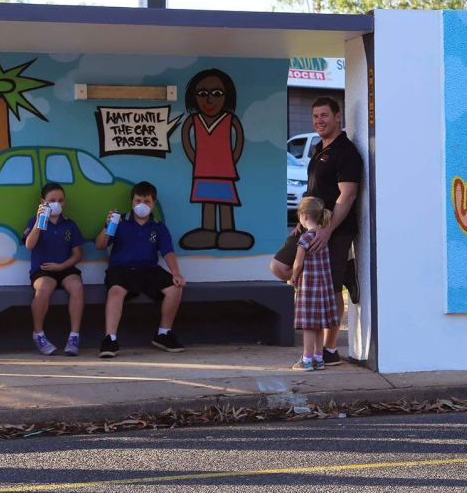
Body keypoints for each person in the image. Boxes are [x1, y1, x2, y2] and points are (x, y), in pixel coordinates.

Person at [271, 97, 363, 366]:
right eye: (315, 117)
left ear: (338, 117)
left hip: (335, 231)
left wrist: (327, 230)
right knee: (279, 266)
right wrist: (306, 221)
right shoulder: (319, 150)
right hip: (308, 227)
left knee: (333, 288)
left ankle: (330, 350)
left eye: (324, 115)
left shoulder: (346, 152)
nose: (319, 121)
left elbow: (347, 196)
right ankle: (345, 271)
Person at [94, 181, 186, 358]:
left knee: (175, 288)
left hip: (149, 269)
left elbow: (167, 252)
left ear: (153, 203)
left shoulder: (158, 226)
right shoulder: (119, 221)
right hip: (121, 268)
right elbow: (100, 245)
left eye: (147, 201)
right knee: (115, 291)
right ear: (132, 202)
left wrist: (176, 273)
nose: (142, 205)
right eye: (138, 201)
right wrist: (108, 227)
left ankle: (163, 334)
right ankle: (110, 339)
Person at [178, 68, 254, 251]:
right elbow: (187, 141)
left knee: (226, 201)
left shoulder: (229, 119)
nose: (209, 99)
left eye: (217, 93)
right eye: (202, 94)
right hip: (203, 171)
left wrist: (231, 161)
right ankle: (208, 231)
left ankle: (228, 231)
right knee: (208, 201)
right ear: (194, 97)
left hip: (225, 171)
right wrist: (196, 160)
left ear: (226, 96)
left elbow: (239, 142)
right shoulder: (194, 120)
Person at [22, 182, 85, 356]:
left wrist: (62, 266)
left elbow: (78, 254)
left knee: (77, 286)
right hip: (43, 269)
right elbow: (29, 245)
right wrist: (37, 224)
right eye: (52, 200)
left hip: (65, 268)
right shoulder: (35, 222)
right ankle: (38, 334)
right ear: (43, 201)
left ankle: (74, 336)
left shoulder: (70, 225)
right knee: (43, 288)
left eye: (60, 200)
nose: (57, 203)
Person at [289, 197, 339, 371]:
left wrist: (294, 276)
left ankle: (307, 359)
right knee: (318, 325)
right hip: (323, 287)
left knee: (309, 326)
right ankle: (319, 358)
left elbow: (298, 263)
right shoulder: (322, 237)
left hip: (309, 287)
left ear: (304, 215)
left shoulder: (305, 238)